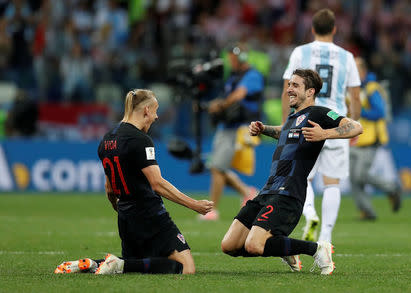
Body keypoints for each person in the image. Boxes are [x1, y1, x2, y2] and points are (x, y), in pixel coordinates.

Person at [54, 89, 213, 275]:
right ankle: (119, 265)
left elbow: (109, 188)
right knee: (185, 268)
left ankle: (91, 264)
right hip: (150, 214)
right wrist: (194, 205)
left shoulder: (106, 139)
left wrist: (123, 211)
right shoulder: (141, 140)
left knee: (136, 264)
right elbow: (157, 184)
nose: (156, 116)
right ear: (146, 110)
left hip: (126, 217)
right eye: (155, 110)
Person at [221, 69, 362, 274]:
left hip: (288, 193)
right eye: (289, 85)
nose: (289, 89)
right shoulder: (293, 117)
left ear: (310, 92)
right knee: (229, 245)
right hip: (268, 190)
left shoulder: (320, 113)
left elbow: (356, 127)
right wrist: (264, 129)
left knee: (254, 245)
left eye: (295, 85)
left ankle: (317, 248)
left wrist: (325, 133)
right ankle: (284, 247)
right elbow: (284, 131)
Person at [281, 8, 361, 243]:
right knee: (332, 182)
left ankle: (310, 216)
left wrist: (288, 120)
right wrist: (353, 125)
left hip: (306, 118)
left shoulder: (300, 52)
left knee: (301, 177)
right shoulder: (347, 56)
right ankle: (325, 237)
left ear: (313, 29)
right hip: (335, 121)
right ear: (335, 30)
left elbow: (289, 89)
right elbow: (355, 96)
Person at [200, 43, 264, 220]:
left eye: (233, 59)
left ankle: (212, 209)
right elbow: (230, 96)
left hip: (239, 129)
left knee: (217, 167)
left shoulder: (252, 75)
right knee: (217, 167)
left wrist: (220, 105)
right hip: (226, 126)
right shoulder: (234, 76)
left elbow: (238, 95)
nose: (231, 62)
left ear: (241, 58)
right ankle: (247, 191)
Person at [350, 57, 401, 220]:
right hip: (352, 137)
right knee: (353, 177)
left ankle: (392, 187)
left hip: (369, 138)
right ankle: (367, 211)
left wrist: (358, 112)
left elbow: (380, 112)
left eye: (356, 68)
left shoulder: (371, 88)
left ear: (363, 71)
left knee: (359, 176)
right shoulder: (352, 88)